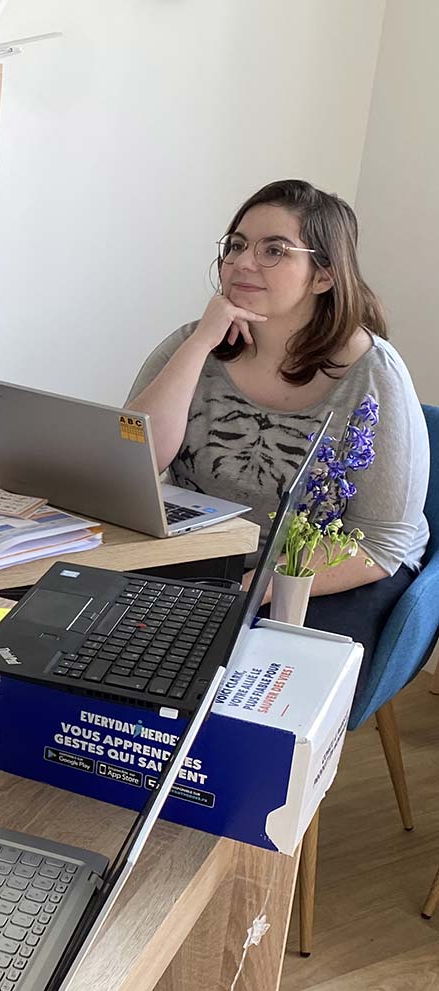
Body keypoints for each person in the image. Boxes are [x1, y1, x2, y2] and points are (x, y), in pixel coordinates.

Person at [127, 179, 429, 695]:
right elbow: (131, 462)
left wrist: (253, 590)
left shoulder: (373, 374)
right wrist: (201, 342)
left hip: (326, 571)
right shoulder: (192, 342)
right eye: (237, 245)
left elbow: (382, 544)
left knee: (222, 681)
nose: (243, 263)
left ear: (324, 276)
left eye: (275, 250)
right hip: (210, 554)